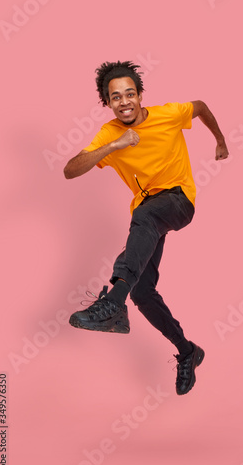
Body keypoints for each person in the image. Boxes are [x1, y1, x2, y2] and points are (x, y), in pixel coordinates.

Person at [64, 60, 229, 395]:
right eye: (116, 97)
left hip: (179, 199)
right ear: (107, 103)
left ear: (140, 96)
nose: (124, 101)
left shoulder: (168, 114)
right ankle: (188, 352)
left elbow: (201, 107)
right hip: (148, 211)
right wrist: (113, 147)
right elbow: (70, 169)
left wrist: (220, 141)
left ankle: (112, 304)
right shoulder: (110, 133)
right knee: (142, 290)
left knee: (144, 217)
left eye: (130, 94)